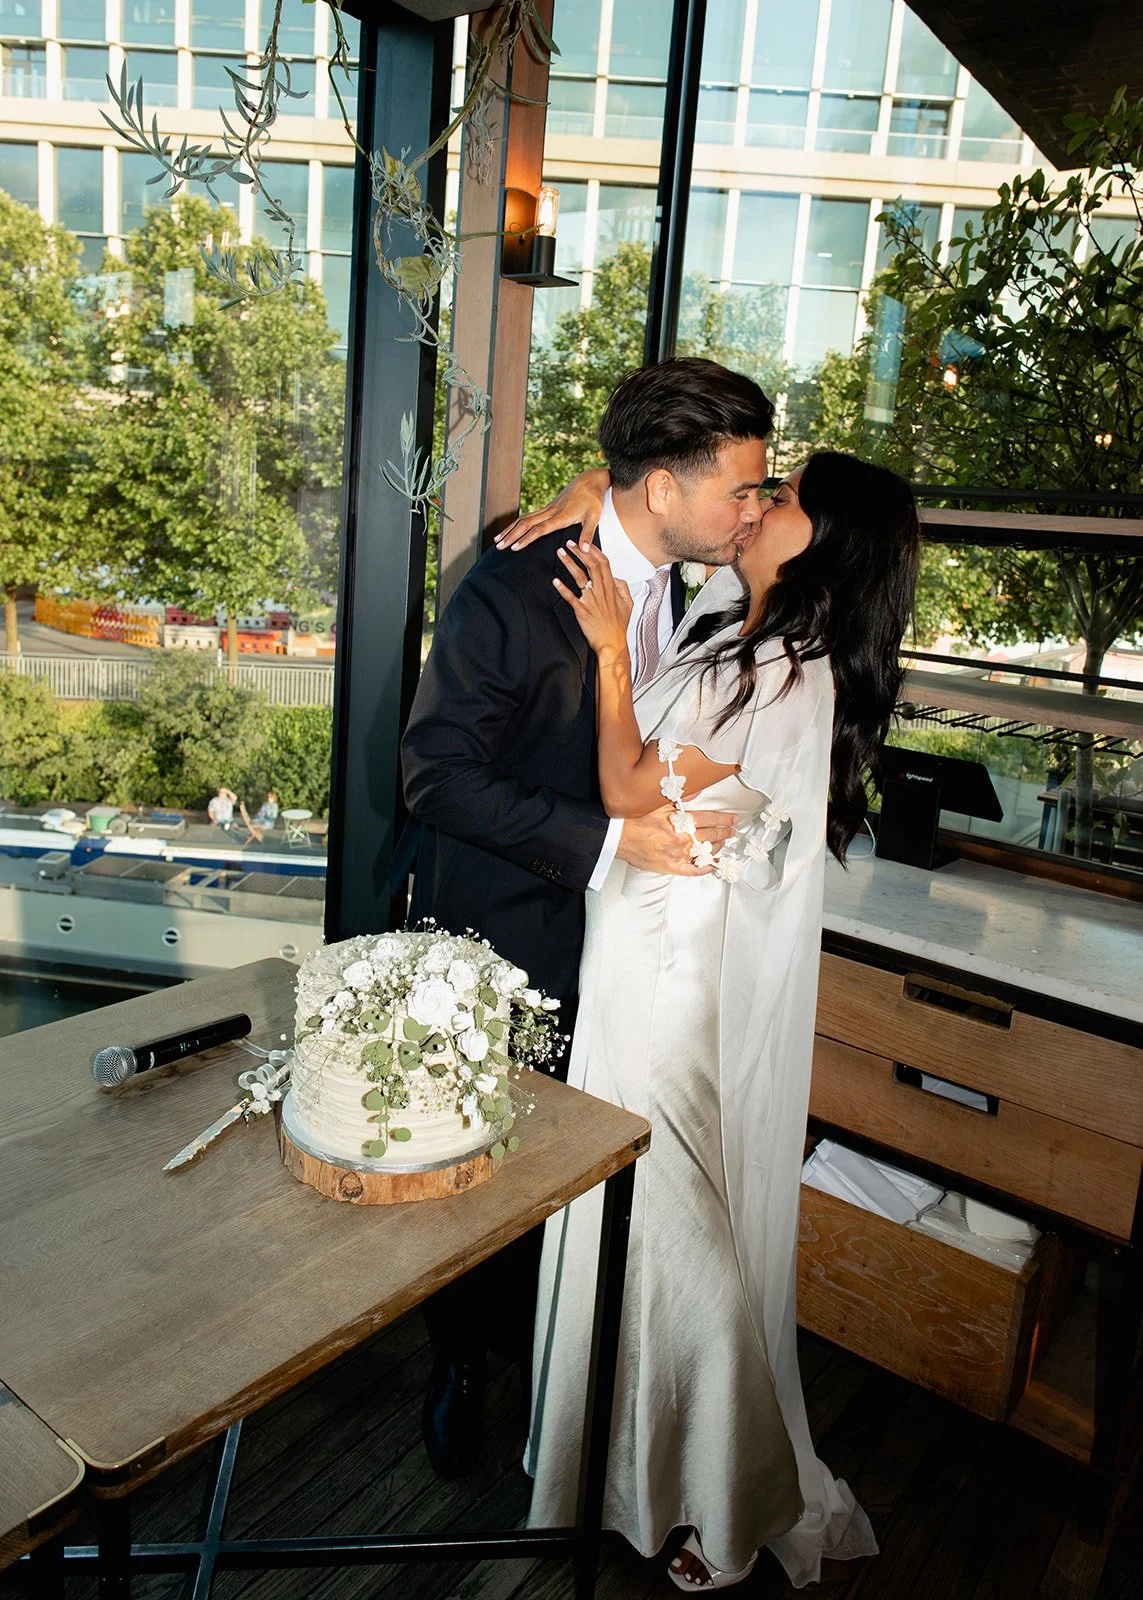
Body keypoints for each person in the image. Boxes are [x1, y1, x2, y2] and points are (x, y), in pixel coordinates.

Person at [518, 452, 921, 1590]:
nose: (757, 507)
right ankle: (630, 1466)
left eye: (782, 498)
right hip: (636, 939)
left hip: (674, 970)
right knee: (630, 1216)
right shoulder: (724, 625)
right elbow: (663, 496)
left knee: (668, 1221)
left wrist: (604, 655)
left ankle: (724, 1488)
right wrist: (589, 489)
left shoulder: (790, 676)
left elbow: (632, 791)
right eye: (758, 487)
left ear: (822, 540)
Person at [400, 357, 775, 1480]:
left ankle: (563, 1371)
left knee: (569, 1172)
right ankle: (464, 1362)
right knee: (488, 1178)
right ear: (663, 486)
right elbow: (434, 776)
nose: (750, 510)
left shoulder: (694, 585)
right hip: (509, 933)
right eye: (738, 490)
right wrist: (612, 844)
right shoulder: (512, 588)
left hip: (624, 952)